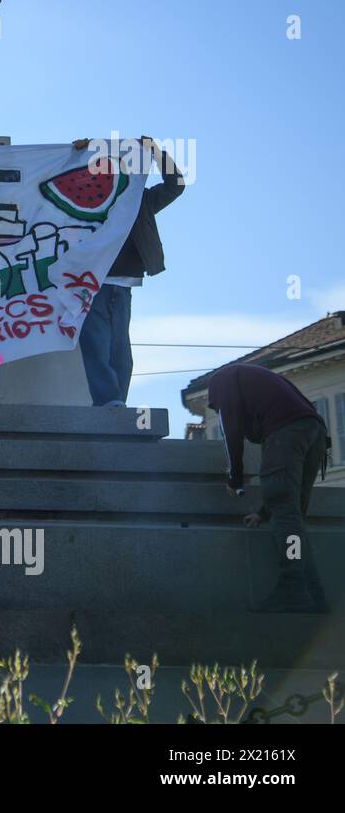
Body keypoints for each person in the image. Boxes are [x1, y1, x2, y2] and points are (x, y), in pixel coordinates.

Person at [72, 136, 186, 407]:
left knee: (119, 349)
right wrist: (75, 157)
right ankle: (108, 401)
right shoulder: (84, 198)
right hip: (92, 281)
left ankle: (116, 402)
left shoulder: (141, 199)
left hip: (123, 283)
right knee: (97, 343)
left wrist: (157, 153)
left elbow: (176, 185)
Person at [208, 363, 331, 613]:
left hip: (288, 433)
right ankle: (313, 594)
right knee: (292, 515)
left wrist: (235, 479)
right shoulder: (257, 385)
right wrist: (265, 512)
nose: (218, 410)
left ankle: (293, 588)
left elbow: (231, 432)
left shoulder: (222, 381)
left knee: (287, 517)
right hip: (315, 431)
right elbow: (284, 491)